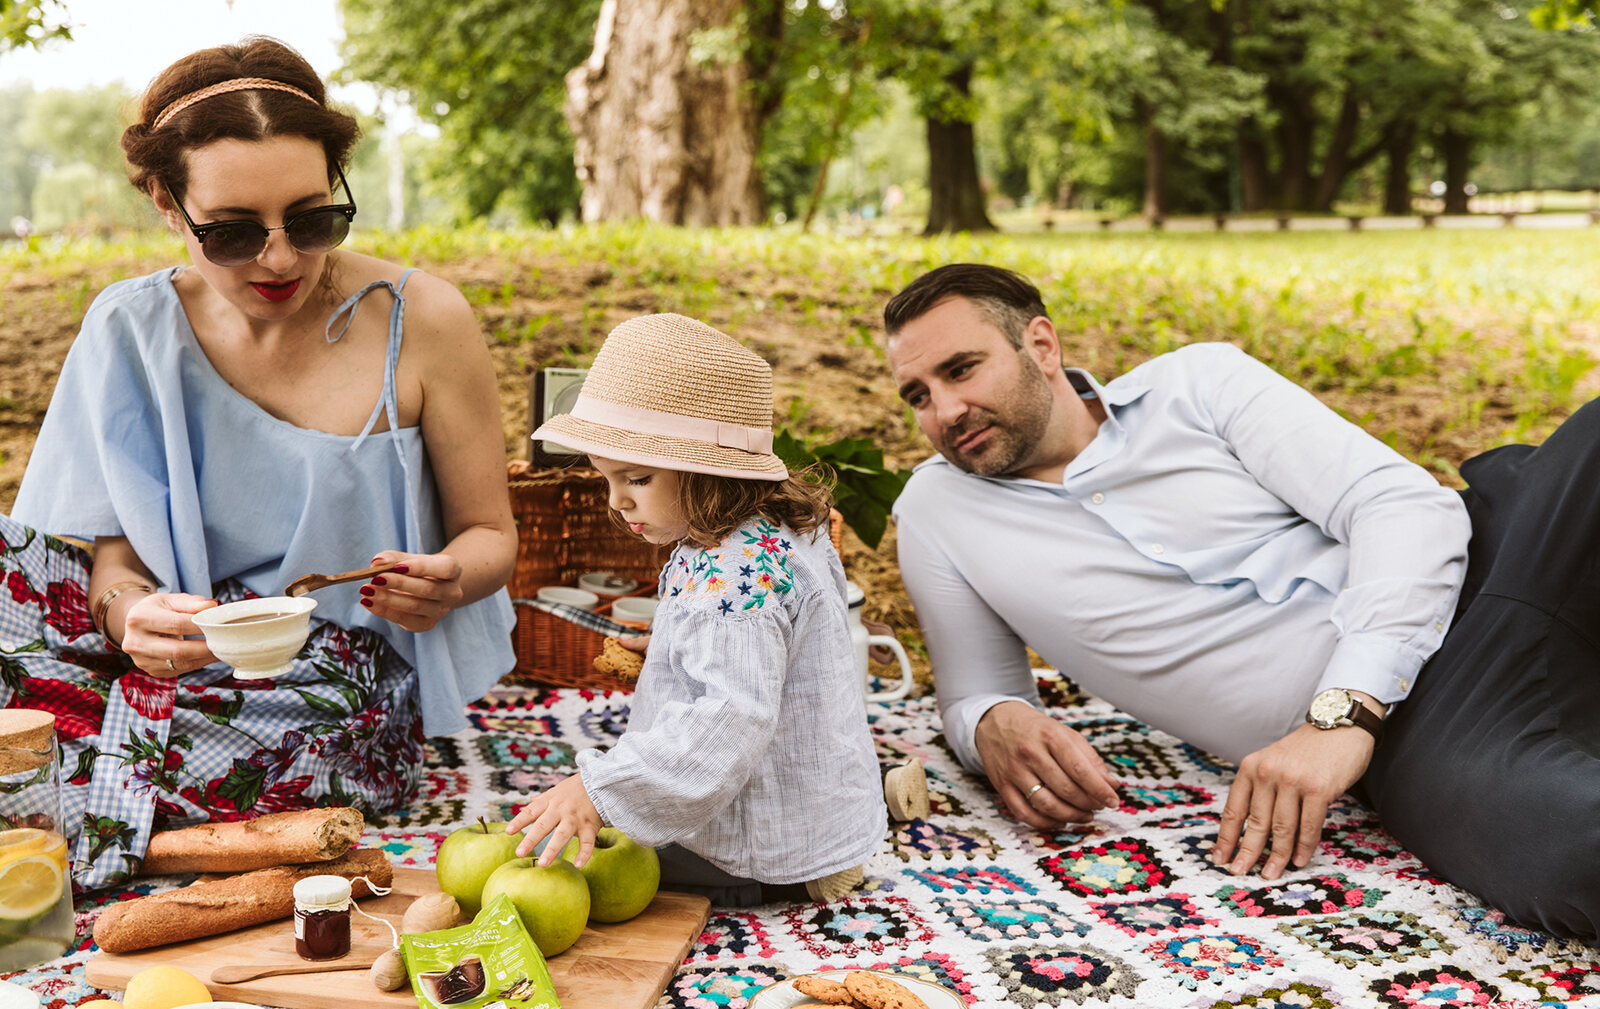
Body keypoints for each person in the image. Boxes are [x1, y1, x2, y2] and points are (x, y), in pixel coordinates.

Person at [883, 262, 1600, 942]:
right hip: (1433, 727)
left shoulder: (1198, 383)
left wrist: (1342, 712)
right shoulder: (937, 511)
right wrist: (996, 721)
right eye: (917, 395)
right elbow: (973, 693)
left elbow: (1402, 505)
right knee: (1567, 850)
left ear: (1039, 343)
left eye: (960, 369)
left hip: (1503, 558)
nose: (945, 411)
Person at [1, 37, 517, 890]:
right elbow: (108, 560)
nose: (278, 258)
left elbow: (491, 535)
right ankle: (122, 787)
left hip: (337, 682)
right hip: (175, 661)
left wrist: (450, 578)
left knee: (302, 737)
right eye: (234, 232)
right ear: (169, 206)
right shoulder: (130, 328)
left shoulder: (420, 319)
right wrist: (131, 615)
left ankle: (73, 794)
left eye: (312, 219)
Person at [507, 313, 887, 905]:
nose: (616, 501)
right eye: (607, 479)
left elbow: (728, 719)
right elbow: (778, 645)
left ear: (708, 473)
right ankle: (854, 823)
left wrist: (599, 789)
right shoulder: (775, 531)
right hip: (815, 795)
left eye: (637, 477)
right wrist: (669, 649)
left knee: (594, 861)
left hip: (762, 834)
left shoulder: (727, 576)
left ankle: (768, 875)